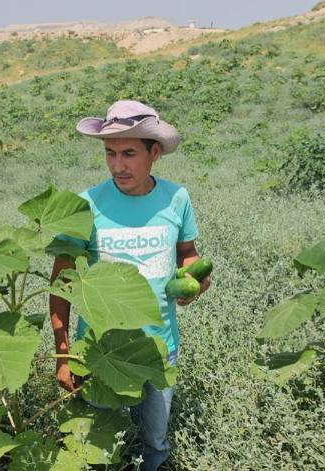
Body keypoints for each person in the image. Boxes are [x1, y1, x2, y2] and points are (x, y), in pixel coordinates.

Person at [48, 100, 210, 470]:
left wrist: (195, 277)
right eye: (110, 153)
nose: (118, 165)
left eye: (129, 153)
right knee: (100, 445)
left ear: (154, 152)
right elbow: (61, 285)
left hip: (158, 346)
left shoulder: (176, 198)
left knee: (154, 442)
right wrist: (63, 354)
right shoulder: (84, 205)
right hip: (99, 352)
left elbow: (187, 251)